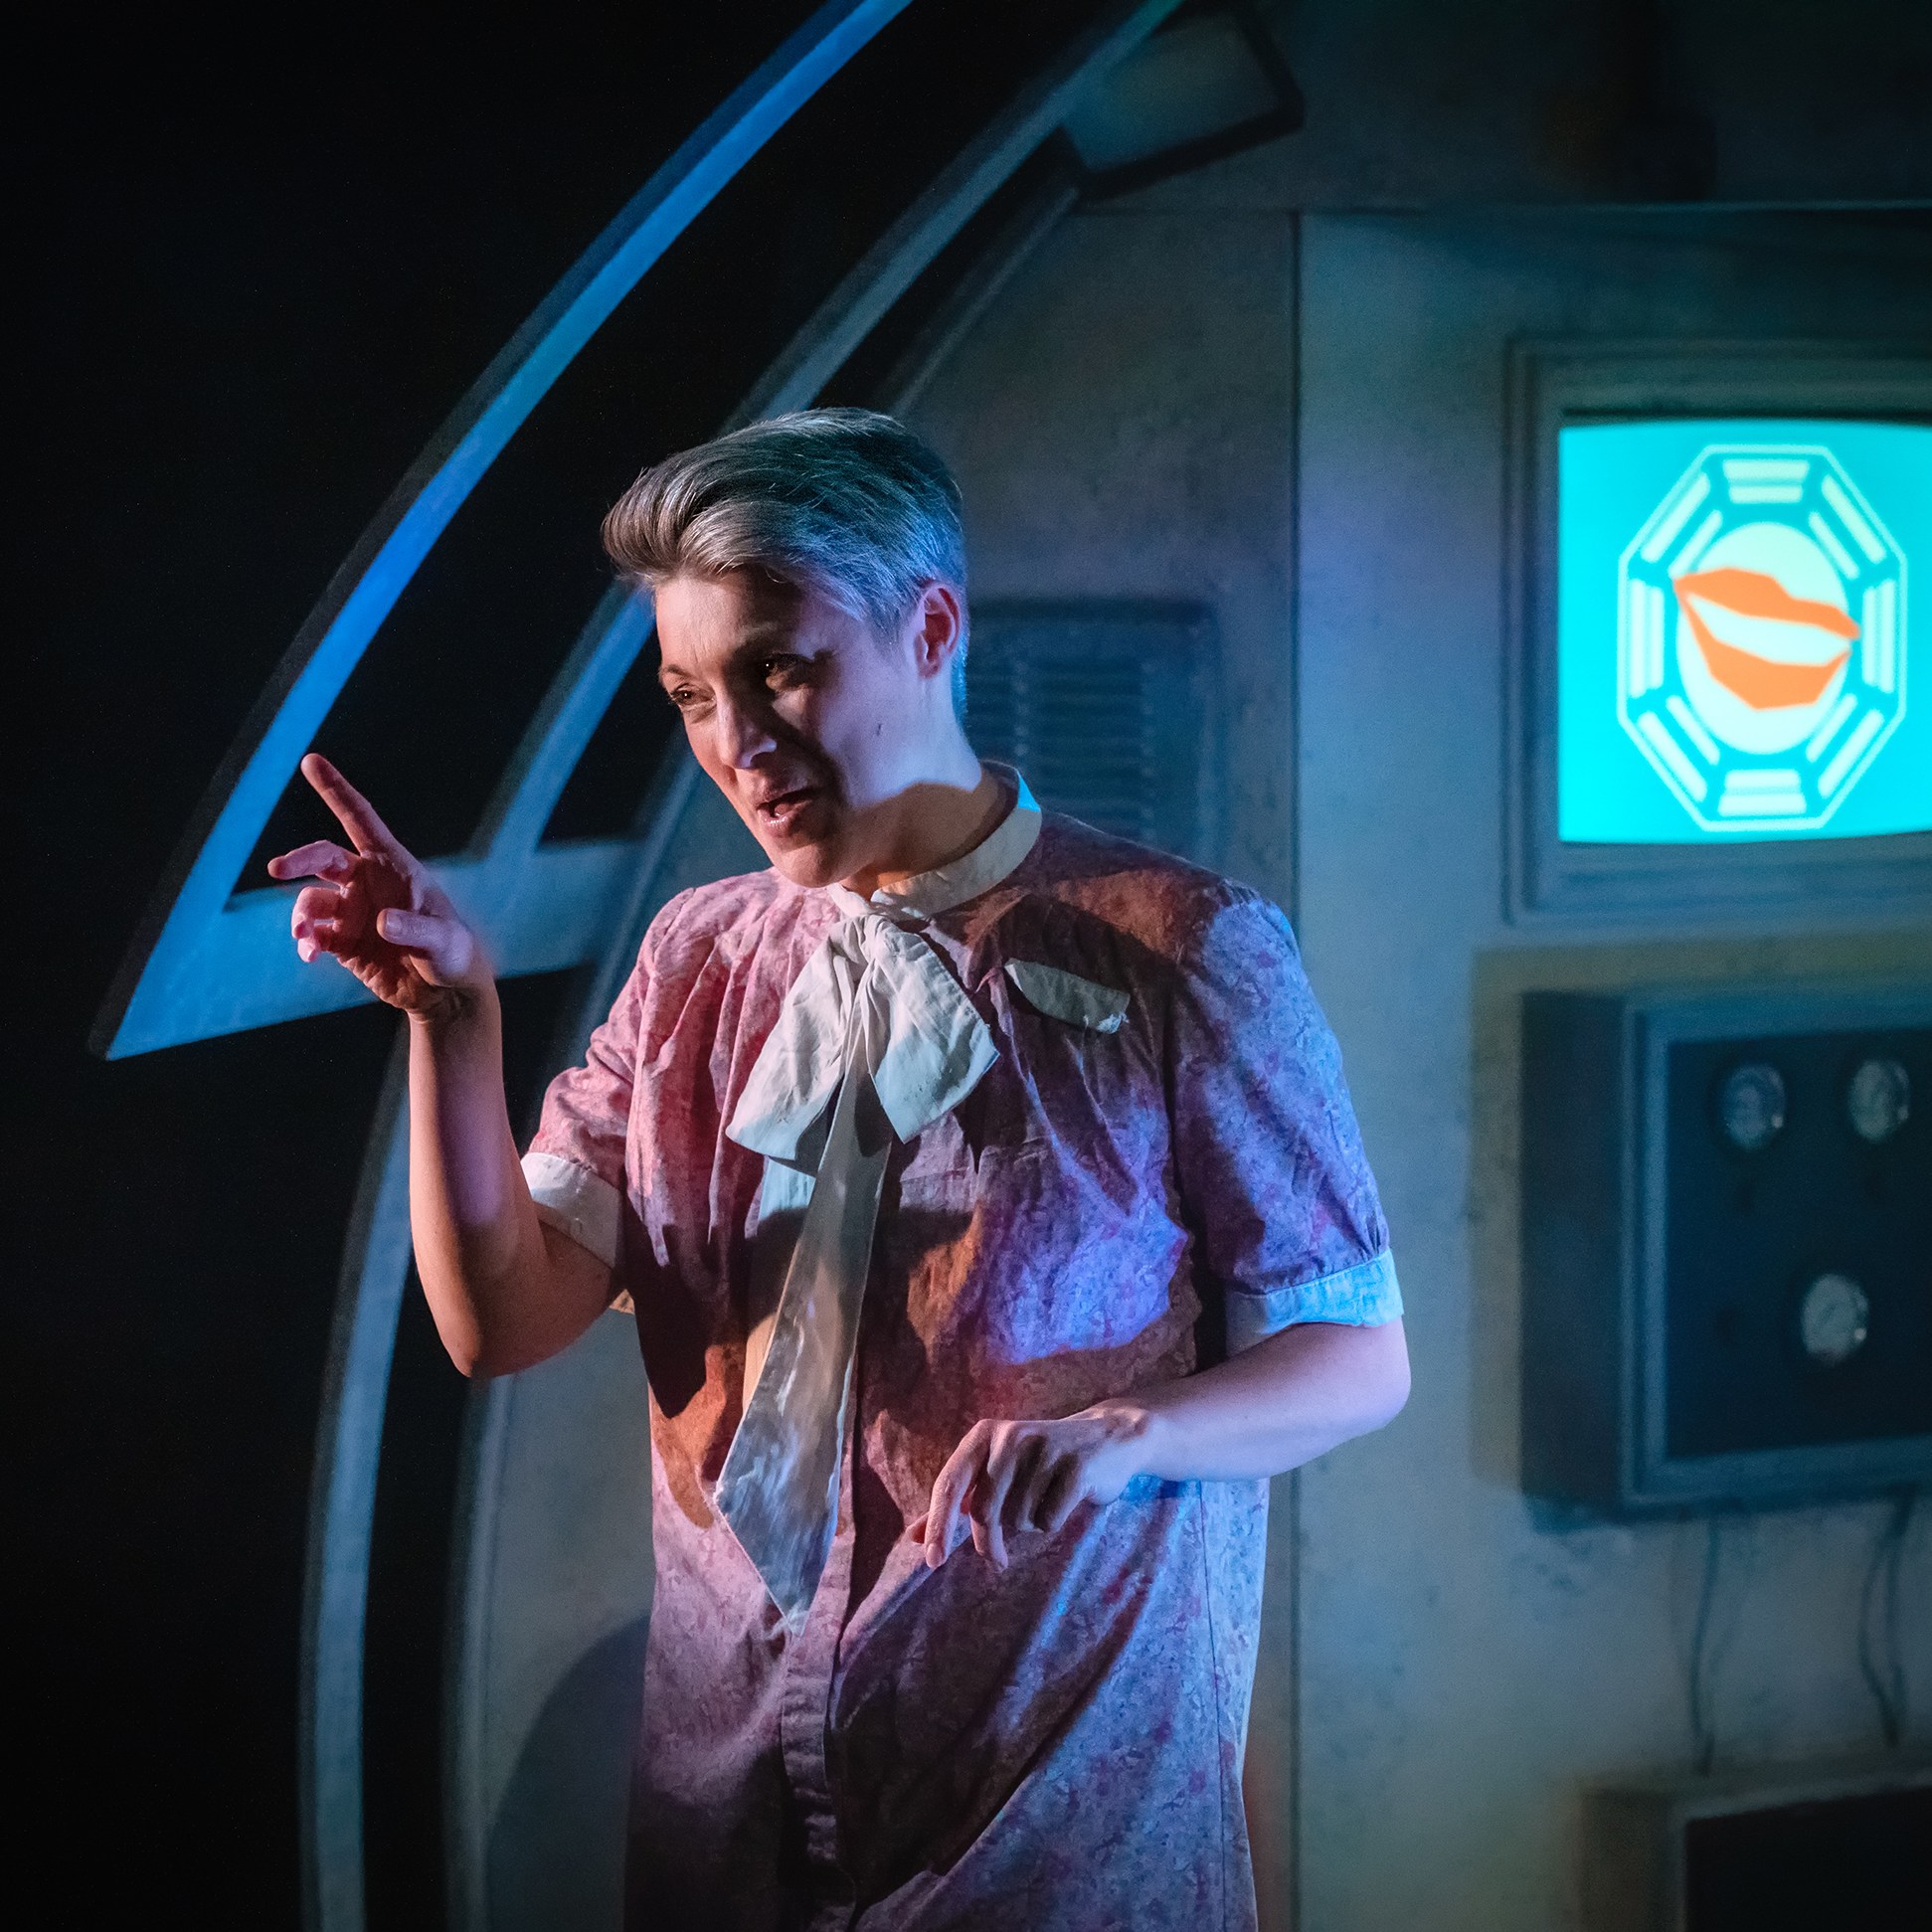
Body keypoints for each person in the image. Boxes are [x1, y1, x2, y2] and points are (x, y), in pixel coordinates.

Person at [269, 409, 1409, 1930]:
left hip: (1051, 1837)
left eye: (780, 671)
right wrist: (452, 1029)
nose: (737, 746)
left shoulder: (1181, 954)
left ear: (930, 629)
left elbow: (1358, 1356)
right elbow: (500, 1320)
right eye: (692, 696)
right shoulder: (695, 964)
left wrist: (1132, 1432)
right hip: (725, 1826)